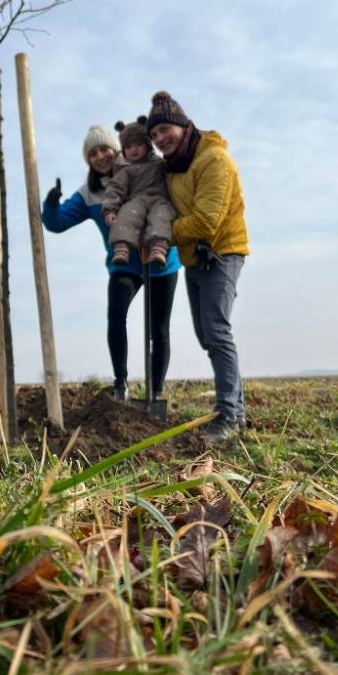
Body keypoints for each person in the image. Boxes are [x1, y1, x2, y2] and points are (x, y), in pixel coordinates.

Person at [42, 123, 181, 402]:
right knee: (116, 316)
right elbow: (57, 223)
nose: (100, 157)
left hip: (160, 260)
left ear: (117, 150)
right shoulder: (90, 194)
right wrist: (51, 205)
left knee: (159, 328)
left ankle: (155, 393)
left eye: (105, 149)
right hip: (124, 262)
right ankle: (121, 384)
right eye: (93, 154)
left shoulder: (146, 170)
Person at [146, 90, 249, 443]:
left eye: (165, 130)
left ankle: (227, 416)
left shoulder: (214, 159)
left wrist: (159, 235)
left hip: (222, 252)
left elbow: (206, 221)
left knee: (216, 331)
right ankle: (238, 410)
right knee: (207, 335)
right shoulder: (174, 167)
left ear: (183, 124)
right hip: (195, 256)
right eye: (154, 134)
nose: (160, 139)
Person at [102, 118, 175, 266]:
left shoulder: (159, 164)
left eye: (138, 144)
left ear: (148, 145)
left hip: (160, 199)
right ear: (123, 150)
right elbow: (115, 188)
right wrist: (109, 209)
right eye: (128, 147)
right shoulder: (125, 170)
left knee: (162, 215)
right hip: (137, 200)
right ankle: (121, 247)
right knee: (126, 214)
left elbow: (173, 176)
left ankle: (159, 248)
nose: (133, 149)